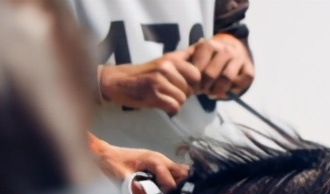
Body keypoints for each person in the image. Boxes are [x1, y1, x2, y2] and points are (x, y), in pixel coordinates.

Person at [69, 0, 255, 163]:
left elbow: (231, 28)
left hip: (206, 169)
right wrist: (104, 82)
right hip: (97, 178)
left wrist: (232, 52)